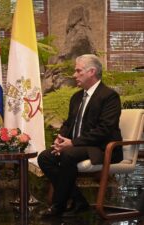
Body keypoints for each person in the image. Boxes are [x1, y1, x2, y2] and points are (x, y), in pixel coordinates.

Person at [37, 54, 123, 217]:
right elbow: (68, 124)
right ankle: (79, 201)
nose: (74, 75)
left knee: (68, 154)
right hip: (78, 146)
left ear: (91, 72)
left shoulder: (109, 96)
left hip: (102, 148)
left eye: (78, 71)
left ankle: (58, 206)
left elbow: (104, 130)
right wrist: (61, 139)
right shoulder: (76, 97)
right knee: (45, 157)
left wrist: (73, 143)